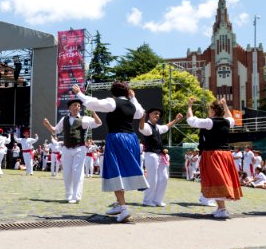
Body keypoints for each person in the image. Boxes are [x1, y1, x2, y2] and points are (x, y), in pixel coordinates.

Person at [73, 82, 148, 223]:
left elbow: (91, 104)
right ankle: (119, 204)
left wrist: (79, 93)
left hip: (117, 138)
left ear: (113, 93)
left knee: (115, 171)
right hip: (132, 139)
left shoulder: (112, 102)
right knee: (122, 172)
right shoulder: (133, 104)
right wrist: (133, 98)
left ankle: (124, 209)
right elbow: (140, 113)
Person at [186, 97, 242, 218]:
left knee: (216, 180)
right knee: (219, 179)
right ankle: (220, 208)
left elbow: (191, 120)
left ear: (212, 110)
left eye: (209, 109)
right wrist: (226, 105)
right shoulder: (228, 122)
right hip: (226, 154)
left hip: (213, 154)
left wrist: (189, 106)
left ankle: (222, 209)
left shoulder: (209, 122)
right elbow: (230, 117)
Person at [43, 98, 102, 203]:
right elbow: (55, 130)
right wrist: (47, 125)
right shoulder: (64, 119)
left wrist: (93, 112)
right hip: (66, 148)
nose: (77, 107)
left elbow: (98, 123)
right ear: (70, 107)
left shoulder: (84, 119)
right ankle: (69, 195)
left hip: (80, 148)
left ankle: (77, 196)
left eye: (79, 106)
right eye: (75, 105)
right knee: (67, 173)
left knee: (77, 171)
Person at [139, 107, 183, 207]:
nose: (157, 115)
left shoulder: (158, 127)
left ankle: (157, 200)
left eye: (158, 114)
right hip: (151, 154)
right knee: (152, 178)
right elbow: (141, 128)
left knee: (164, 178)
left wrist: (176, 120)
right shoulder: (146, 125)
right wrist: (142, 116)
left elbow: (167, 127)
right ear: (149, 115)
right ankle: (147, 200)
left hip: (160, 155)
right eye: (155, 113)